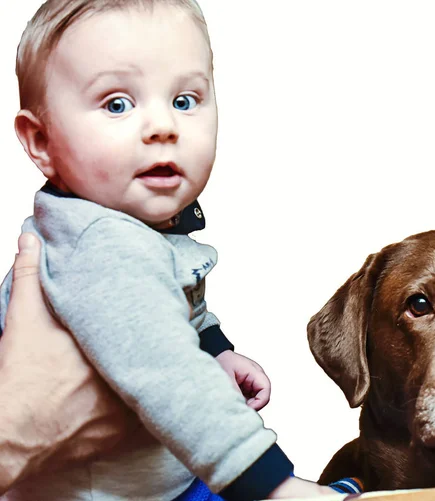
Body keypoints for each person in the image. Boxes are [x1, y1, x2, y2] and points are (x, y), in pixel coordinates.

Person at [0, 1, 340, 499]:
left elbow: (160, 312)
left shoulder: (115, 226)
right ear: (41, 141)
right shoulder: (104, 244)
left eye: (185, 100)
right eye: (117, 104)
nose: (163, 126)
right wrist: (275, 488)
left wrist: (213, 349)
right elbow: (166, 374)